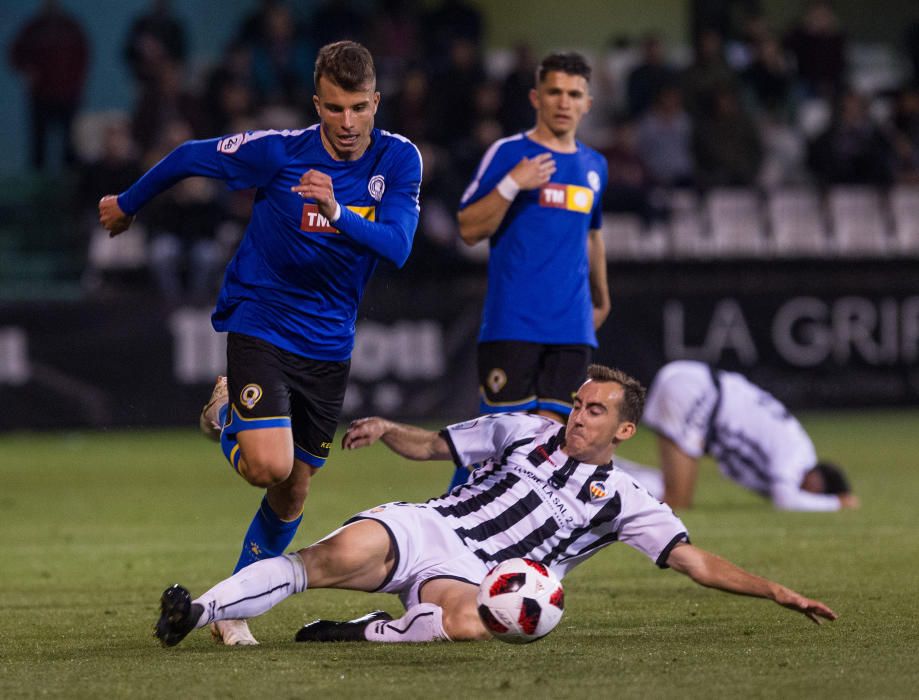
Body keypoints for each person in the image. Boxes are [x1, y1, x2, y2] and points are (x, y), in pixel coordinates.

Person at [99, 41, 422, 645]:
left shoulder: (398, 160)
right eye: (334, 108)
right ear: (316, 103)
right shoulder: (279, 152)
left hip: (329, 345)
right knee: (268, 466)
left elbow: (399, 246)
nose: (347, 123)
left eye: (358, 107)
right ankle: (226, 414)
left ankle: (232, 605)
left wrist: (336, 210)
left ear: (376, 101)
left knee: (294, 487)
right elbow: (191, 155)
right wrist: (128, 204)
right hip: (262, 320)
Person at [153, 364, 838, 648]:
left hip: (480, 578)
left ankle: (360, 633)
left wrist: (773, 589)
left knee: (473, 627)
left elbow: (695, 562)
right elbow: (438, 448)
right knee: (321, 559)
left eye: (593, 410)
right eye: (576, 403)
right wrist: (391, 431)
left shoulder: (628, 500)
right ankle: (198, 611)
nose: (577, 416)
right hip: (428, 527)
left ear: (623, 431)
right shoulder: (526, 429)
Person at [451, 52, 610, 489]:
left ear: (587, 104)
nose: (564, 101)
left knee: (553, 448)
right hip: (513, 323)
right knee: (493, 446)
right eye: (555, 92)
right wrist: (511, 184)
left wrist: (602, 296)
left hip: (571, 329)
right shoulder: (509, 154)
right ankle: (448, 530)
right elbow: (467, 228)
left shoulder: (595, 166)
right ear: (535, 97)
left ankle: (515, 548)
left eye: (574, 94)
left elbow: (592, 235)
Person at [616, 360, 860, 512]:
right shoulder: (796, 455)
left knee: (675, 494)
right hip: (697, 393)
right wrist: (837, 504)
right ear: (816, 484)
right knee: (677, 500)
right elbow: (786, 500)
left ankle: (609, 469)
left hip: (695, 385)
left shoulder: (796, 445)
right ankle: (605, 473)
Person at [8, 0, 89, 171]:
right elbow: (15, 53)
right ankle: (38, 187)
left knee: (69, 143)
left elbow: (83, 56)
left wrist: (76, 83)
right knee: (39, 144)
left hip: (68, 95)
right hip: (41, 95)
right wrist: (27, 71)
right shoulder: (34, 28)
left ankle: (71, 183)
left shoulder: (70, 27)